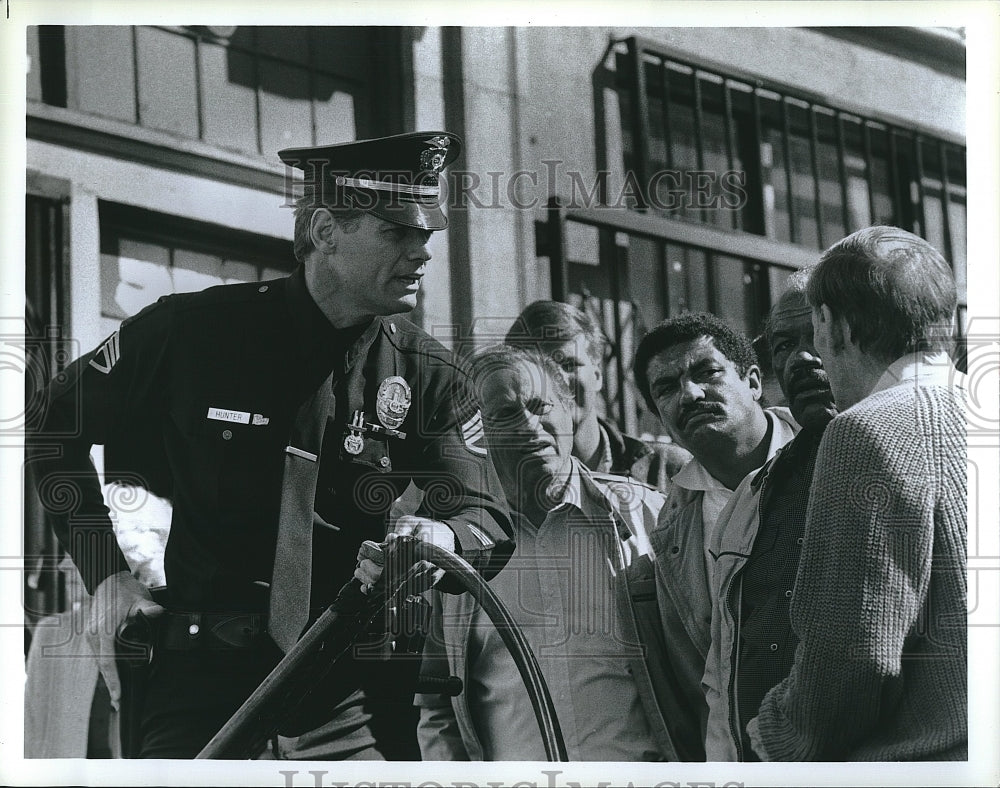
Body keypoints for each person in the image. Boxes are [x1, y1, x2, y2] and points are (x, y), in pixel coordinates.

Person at [26, 131, 515, 760]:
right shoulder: (190, 333)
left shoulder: (426, 372)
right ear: (323, 230)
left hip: (352, 703)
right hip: (201, 691)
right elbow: (51, 428)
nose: (421, 252)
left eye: (426, 235)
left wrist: (441, 540)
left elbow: (489, 519)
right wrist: (107, 575)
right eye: (396, 232)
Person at [747, 227, 967, 760]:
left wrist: (772, 734)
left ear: (832, 324)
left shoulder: (867, 430)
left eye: (814, 326)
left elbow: (854, 656)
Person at [415, 345, 676, 760]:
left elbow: (703, 662)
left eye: (540, 406)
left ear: (569, 409)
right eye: (504, 414)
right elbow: (437, 704)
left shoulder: (648, 516)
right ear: (473, 434)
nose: (530, 426)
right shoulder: (454, 551)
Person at [632, 312, 799, 759]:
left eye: (706, 372)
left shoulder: (828, 456)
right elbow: (698, 673)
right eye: (665, 388)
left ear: (753, 381)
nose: (689, 393)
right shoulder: (674, 521)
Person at [701, 270, 839, 760]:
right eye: (783, 344)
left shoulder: (918, 453)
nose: (800, 358)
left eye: (817, 335)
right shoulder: (751, 497)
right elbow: (721, 674)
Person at [505, 300, 689, 488]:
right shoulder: (503, 486)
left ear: (597, 375)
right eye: (540, 370)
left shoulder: (669, 472)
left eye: (569, 365)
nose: (557, 381)